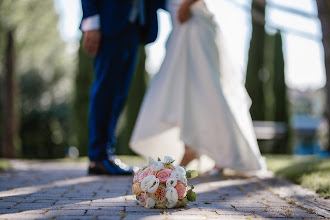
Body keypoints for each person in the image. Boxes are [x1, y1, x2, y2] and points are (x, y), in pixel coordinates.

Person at [130, 0, 267, 175]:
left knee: (206, 90)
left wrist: (187, 4)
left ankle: (219, 152)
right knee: (183, 90)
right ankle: (191, 146)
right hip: (181, 26)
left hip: (194, 23)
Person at [80, 0, 165, 175]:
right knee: (105, 91)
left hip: (135, 25)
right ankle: (97, 157)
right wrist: (91, 21)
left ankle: (106, 154)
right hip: (109, 23)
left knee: (119, 94)